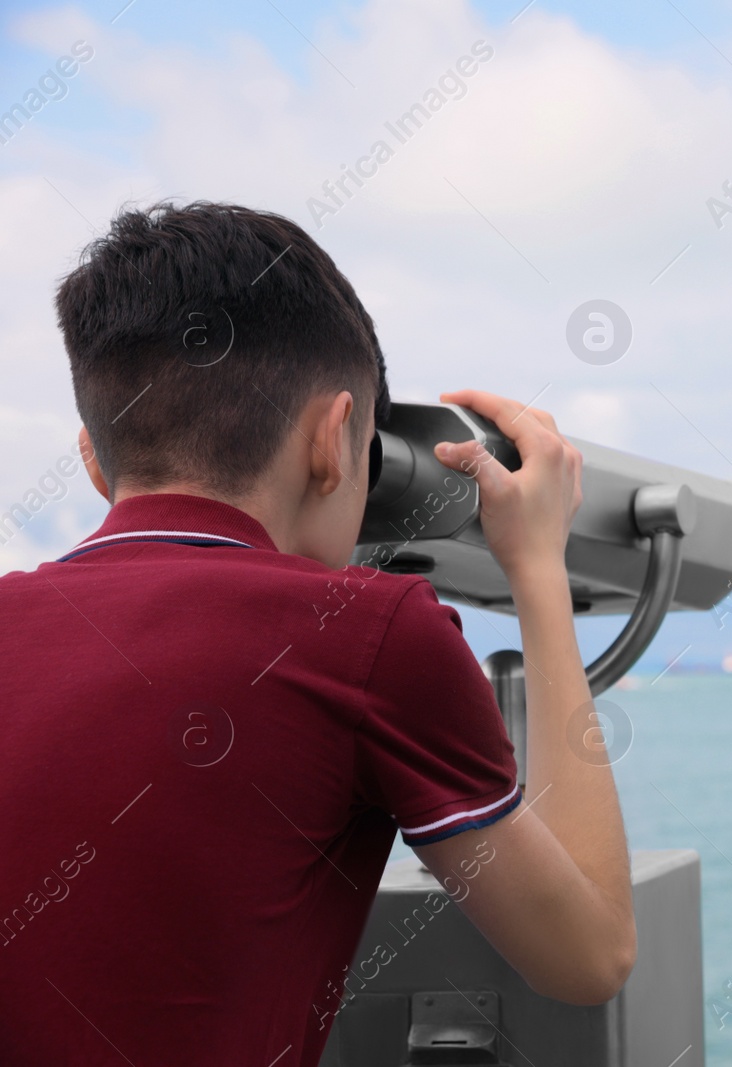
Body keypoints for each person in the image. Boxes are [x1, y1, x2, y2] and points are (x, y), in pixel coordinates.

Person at [0, 202, 635, 1064]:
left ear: (93, 456)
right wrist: (538, 569)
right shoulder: (370, 634)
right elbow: (589, 955)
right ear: (335, 440)